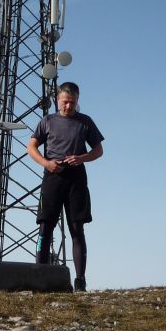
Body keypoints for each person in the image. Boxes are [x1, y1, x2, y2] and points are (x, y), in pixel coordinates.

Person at [27, 81, 104, 291]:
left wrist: (82, 158)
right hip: (53, 176)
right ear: (58, 101)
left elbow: (98, 150)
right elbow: (31, 147)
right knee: (45, 228)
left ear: (77, 101)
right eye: (64, 102)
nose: (68, 106)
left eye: (72, 102)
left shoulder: (85, 122)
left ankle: (80, 281)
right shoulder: (48, 121)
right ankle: (39, 277)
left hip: (76, 178)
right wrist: (47, 163)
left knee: (76, 229)